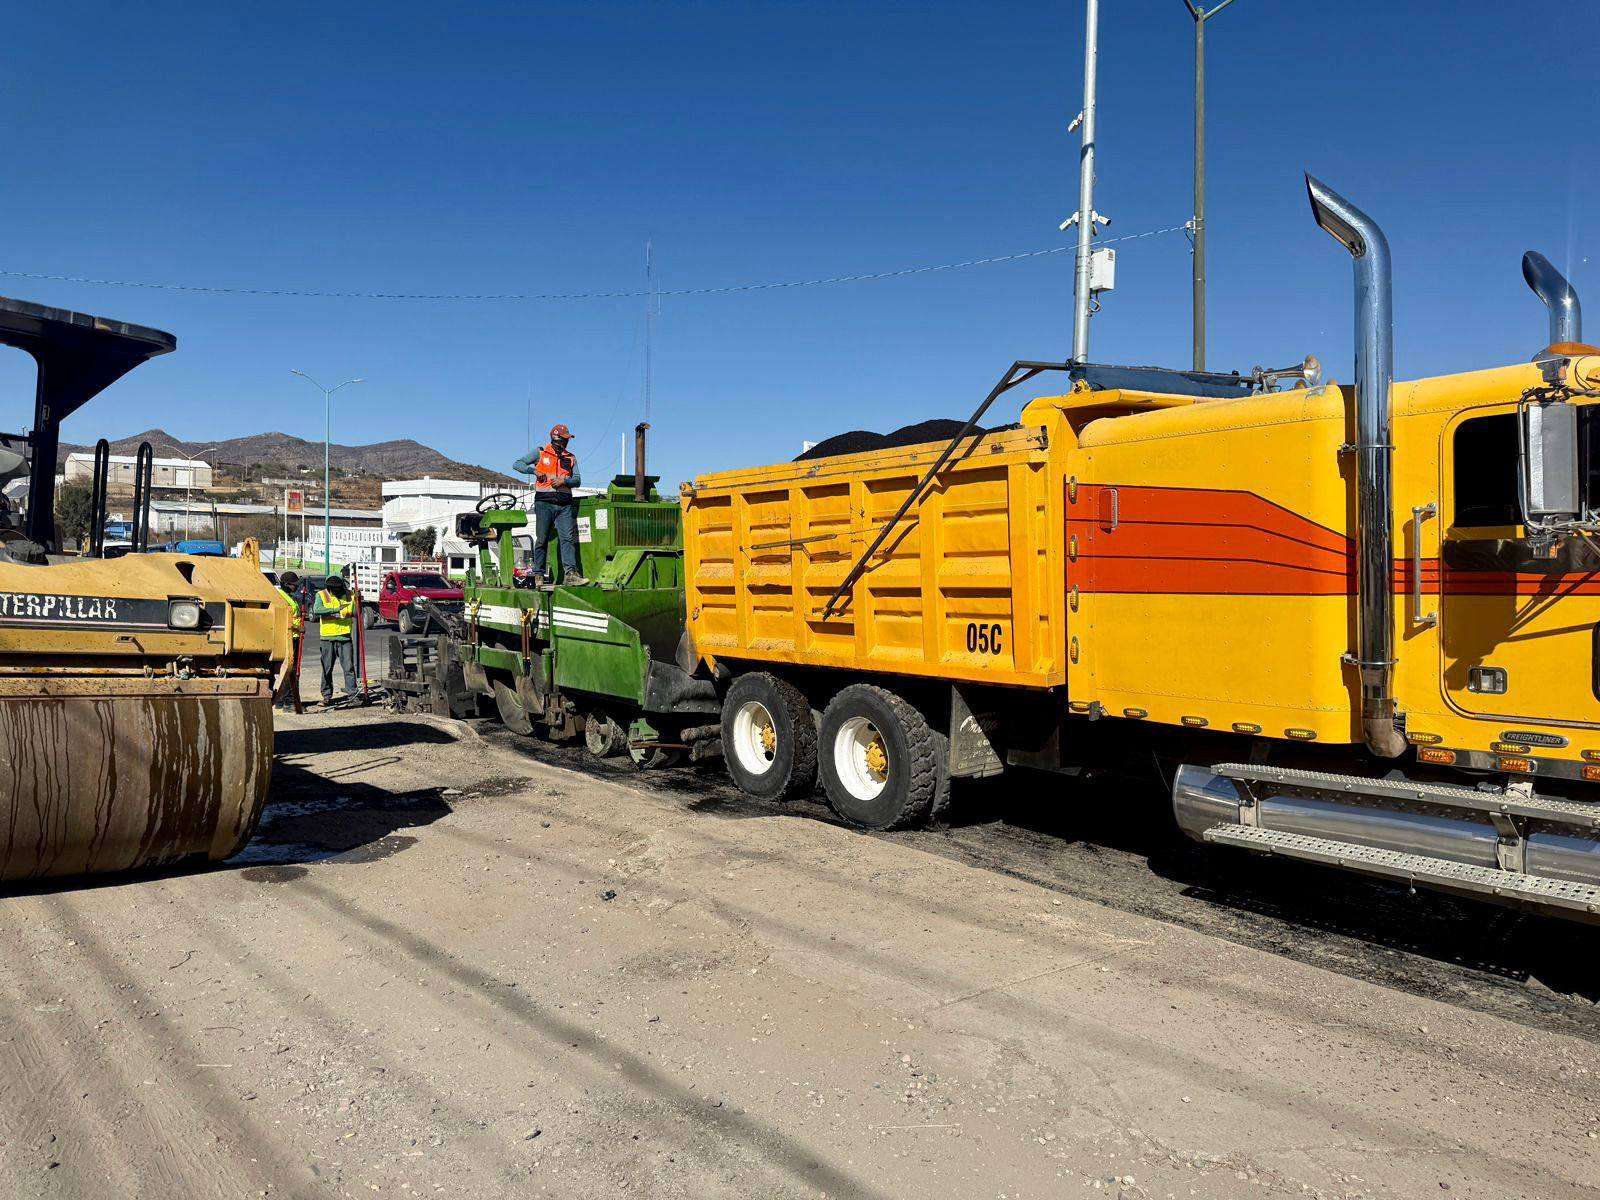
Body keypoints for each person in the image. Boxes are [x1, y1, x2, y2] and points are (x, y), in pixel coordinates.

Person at [513, 423, 589, 587]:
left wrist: (564, 480)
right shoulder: (540, 452)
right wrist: (533, 471)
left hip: (564, 504)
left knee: (567, 539)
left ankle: (571, 575)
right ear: (557, 439)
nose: (567, 442)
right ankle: (538, 575)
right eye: (565, 439)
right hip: (544, 503)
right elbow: (517, 464)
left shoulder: (571, 457)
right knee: (542, 540)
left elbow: (577, 480)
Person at [312, 574, 360, 705]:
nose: (335, 590)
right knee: (327, 668)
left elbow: (356, 612)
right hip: (327, 638)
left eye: (338, 588)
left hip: (345, 637)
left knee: (349, 667)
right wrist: (334, 609)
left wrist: (358, 601)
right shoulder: (322, 595)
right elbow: (317, 609)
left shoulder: (350, 594)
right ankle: (326, 696)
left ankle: (353, 694)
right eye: (333, 588)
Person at [274, 570, 304, 711]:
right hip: (290, 637)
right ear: (286, 584)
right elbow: (283, 619)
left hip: (293, 636)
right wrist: (298, 628)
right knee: (290, 670)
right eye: (293, 585)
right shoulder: (281, 597)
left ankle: (281, 700)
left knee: (286, 669)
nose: (296, 587)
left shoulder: (287, 596)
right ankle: (289, 702)